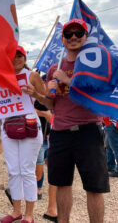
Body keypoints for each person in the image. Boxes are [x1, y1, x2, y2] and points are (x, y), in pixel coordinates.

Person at [36, 18, 110, 223]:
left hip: (88, 131)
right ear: (63, 39)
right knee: (62, 183)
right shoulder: (54, 68)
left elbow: (97, 100)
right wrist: (42, 95)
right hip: (60, 132)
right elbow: (52, 105)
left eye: (79, 33)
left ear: (86, 37)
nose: (74, 37)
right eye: (69, 34)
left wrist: (68, 81)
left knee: (94, 187)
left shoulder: (94, 65)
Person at [0, 46, 44, 223]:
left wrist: (34, 93)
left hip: (30, 125)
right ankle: (16, 211)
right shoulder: (1, 77)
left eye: (20, 56)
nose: (17, 59)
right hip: (8, 125)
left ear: (24, 57)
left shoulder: (32, 75)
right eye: (13, 56)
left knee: (27, 170)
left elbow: (46, 98)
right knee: (13, 170)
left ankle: (29, 214)